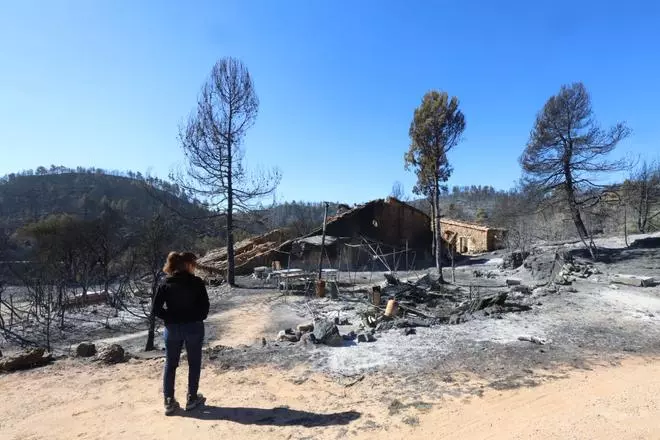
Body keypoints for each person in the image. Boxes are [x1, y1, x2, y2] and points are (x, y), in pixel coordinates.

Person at [152, 251, 210, 416]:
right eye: (194, 264)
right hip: (194, 327)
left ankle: (169, 401)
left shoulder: (165, 283)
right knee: (194, 363)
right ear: (188, 264)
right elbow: (205, 308)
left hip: (172, 329)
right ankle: (192, 398)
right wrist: (194, 317)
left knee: (170, 364)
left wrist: (170, 317)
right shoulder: (197, 282)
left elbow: (156, 309)